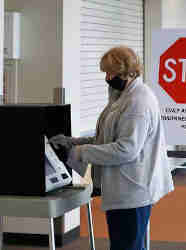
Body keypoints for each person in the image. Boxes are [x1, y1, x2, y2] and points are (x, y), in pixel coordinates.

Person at [49, 46, 174, 250]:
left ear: (128, 72)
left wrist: (78, 153)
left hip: (133, 190)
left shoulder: (137, 102)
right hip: (126, 188)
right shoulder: (123, 95)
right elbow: (107, 137)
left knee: (126, 246)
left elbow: (126, 149)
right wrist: (73, 142)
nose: (107, 78)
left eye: (111, 73)